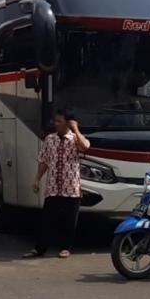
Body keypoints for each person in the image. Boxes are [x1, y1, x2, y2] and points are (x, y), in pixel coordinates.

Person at [23, 109, 91, 259]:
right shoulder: (50, 139)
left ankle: (65, 247)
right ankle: (39, 248)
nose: (56, 124)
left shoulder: (75, 139)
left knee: (69, 220)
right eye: (56, 121)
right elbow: (44, 161)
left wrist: (75, 128)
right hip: (53, 186)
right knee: (47, 219)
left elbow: (85, 146)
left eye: (59, 121)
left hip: (71, 187)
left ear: (67, 123)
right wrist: (37, 178)